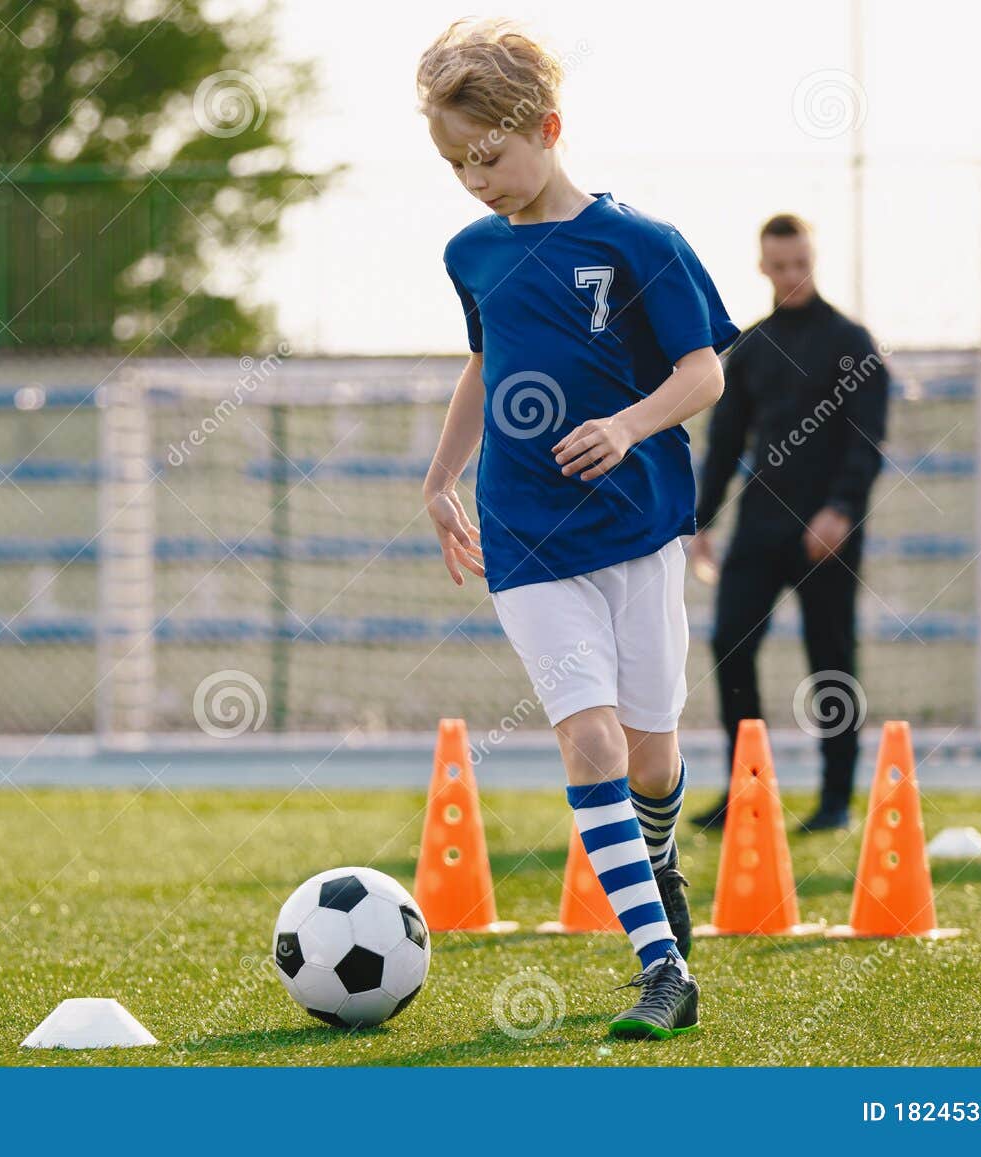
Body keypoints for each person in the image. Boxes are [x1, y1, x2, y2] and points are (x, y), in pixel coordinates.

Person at [416, 17, 737, 1040]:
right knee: (588, 736)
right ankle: (661, 965)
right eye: (455, 161)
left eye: (489, 153)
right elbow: (486, 364)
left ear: (547, 127)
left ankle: (658, 856)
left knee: (650, 754)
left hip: (639, 528)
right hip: (526, 534)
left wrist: (628, 423)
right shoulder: (469, 253)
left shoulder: (641, 243)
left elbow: (704, 371)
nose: (474, 177)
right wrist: (439, 476)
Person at [687, 214, 888, 833]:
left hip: (828, 530)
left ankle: (834, 801)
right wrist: (699, 522)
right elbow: (723, 444)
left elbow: (868, 440)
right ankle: (745, 788)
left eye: (801, 264)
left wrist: (842, 510)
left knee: (830, 658)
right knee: (729, 644)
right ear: (763, 267)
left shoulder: (853, 342)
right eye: (780, 267)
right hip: (760, 524)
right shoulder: (748, 347)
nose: (791, 275)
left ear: (813, 259)